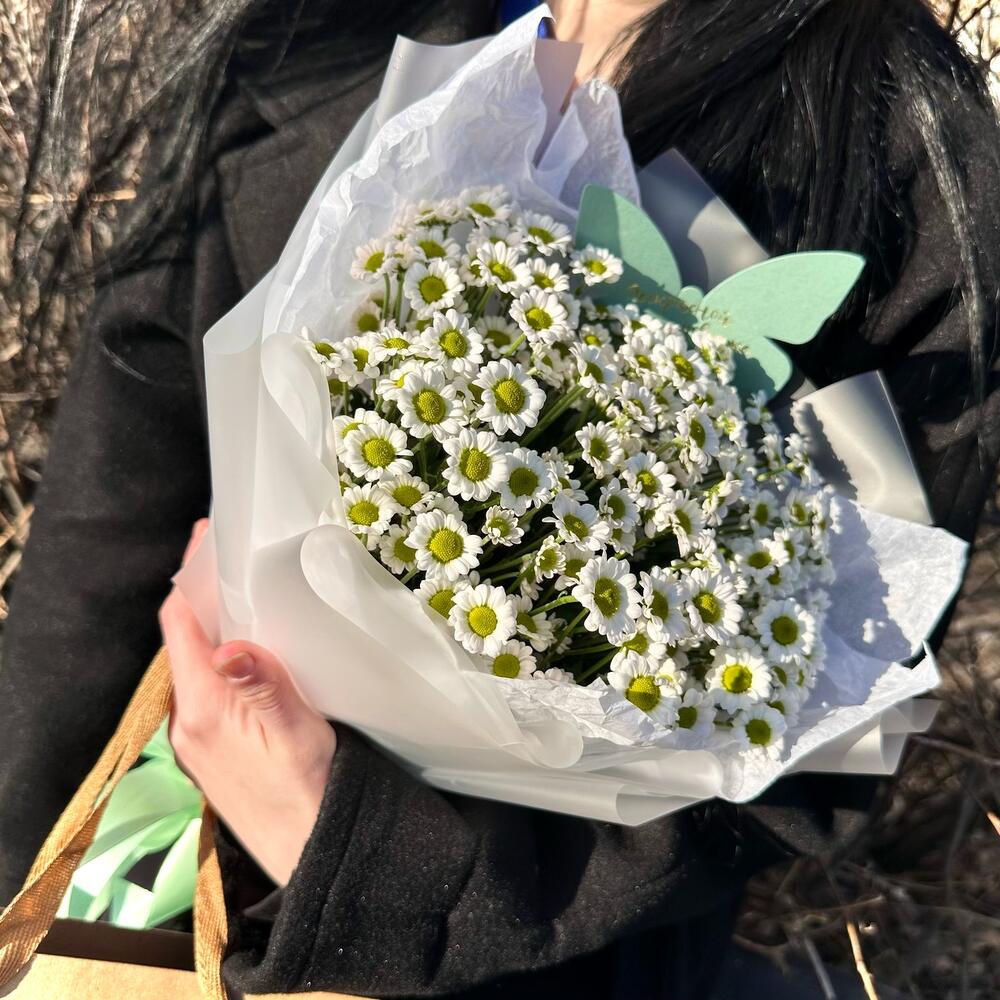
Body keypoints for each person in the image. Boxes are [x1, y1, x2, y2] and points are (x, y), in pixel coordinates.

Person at [3, 1, 999, 996]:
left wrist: (371, 866)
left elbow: (825, 726)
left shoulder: (904, 149)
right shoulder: (320, 29)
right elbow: (107, 527)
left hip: (525, 961)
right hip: (149, 864)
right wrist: (19, 868)